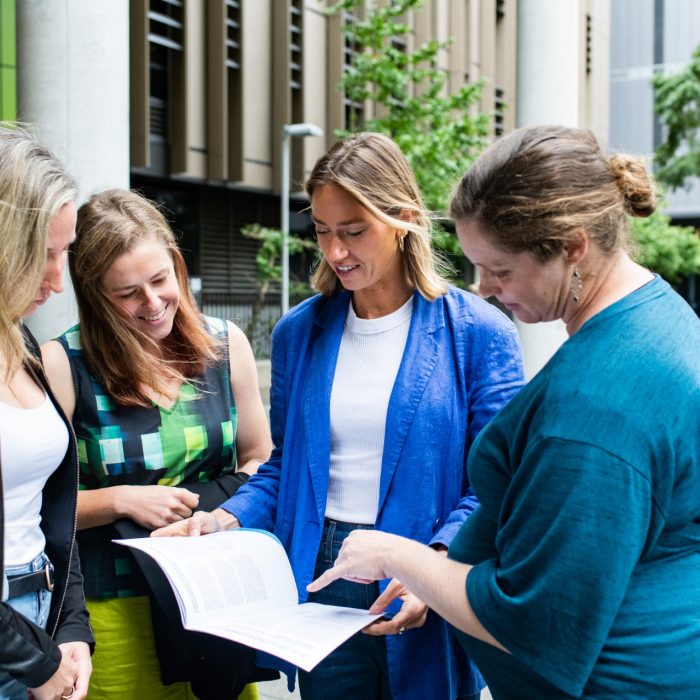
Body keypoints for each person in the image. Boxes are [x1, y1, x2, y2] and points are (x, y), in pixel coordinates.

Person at [307, 125, 700, 699]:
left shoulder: (594, 409)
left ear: (572, 247)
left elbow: (535, 619)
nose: (486, 288)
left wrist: (398, 554)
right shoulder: (663, 315)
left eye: (501, 269)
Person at [154, 132, 525, 700]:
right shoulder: (299, 333)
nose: (334, 253)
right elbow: (285, 471)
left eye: (353, 232)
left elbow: (496, 488)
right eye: (323, 232)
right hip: (321, 574)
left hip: (425, 567)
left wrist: (437, 568)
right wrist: (221, 521)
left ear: (402, 219)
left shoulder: (478, 332)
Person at [41, 189, 273, 700]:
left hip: (216, 593)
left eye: (160, 280)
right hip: (116, 601)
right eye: (127, 294)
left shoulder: (224, 344)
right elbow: (34, 510)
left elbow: (262, 460)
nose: (152, 304)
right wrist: (120, 500)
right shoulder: (64, 365)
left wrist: (216, 510)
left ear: (177, 264)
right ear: (95, 293)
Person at [0, 124, 93, 700]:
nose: (59, 281)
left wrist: (72, 626)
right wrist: (34, 662)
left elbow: (51, 508)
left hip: (40, 614)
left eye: (66, 252)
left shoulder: (24, 341)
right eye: (45, 254)